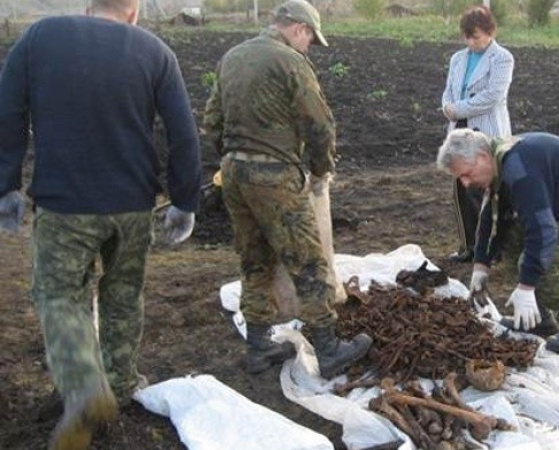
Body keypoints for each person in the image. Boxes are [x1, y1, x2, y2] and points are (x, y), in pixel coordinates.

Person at [0, 0, 201, 447]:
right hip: (133, 206)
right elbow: (183, 132)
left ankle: (84, 386)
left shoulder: (40, 38)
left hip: (65, 205)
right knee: (123, 295)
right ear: (133, 13)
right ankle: (120, 384)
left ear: (89, 8)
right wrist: (185, 201)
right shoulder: (155, 51)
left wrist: (6, 184)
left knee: (59, 294)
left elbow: (8, 113)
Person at [203, 0, 371, 378]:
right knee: (309, 260)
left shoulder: (232, 57)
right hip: (274, 175)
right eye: (310, 38)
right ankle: (329, 350)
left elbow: (212, 120)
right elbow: (319, 124)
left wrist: (233, 157)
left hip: (234, 173)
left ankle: (258, 346)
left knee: (254, 258)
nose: (309, 46)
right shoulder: (291, 62)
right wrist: (320, 171)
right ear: (299, 29)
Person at [436, 129, 559, 353]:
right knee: (512, 240)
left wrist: (527, 286)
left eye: (466, 174)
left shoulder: (519, 170)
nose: (465, 183)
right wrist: (480, 266)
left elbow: (542, 230)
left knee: (540, 260)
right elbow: (491, 218)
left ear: (483, 157)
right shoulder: (498, 161)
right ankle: (539, 320)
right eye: (460, 178)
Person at [441, 5, 514, 263]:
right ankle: (469, 247)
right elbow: (449, 90)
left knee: (488, 192)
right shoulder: (458, 59)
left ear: (490, 32)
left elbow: (492, 96)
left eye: (476, 37)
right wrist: (447, 107)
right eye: (467, 37)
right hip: (459, 130)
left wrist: (458, 108)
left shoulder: (502, 58)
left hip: (486, 131)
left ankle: (494, 248)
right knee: (462, 189)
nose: (471, 42)